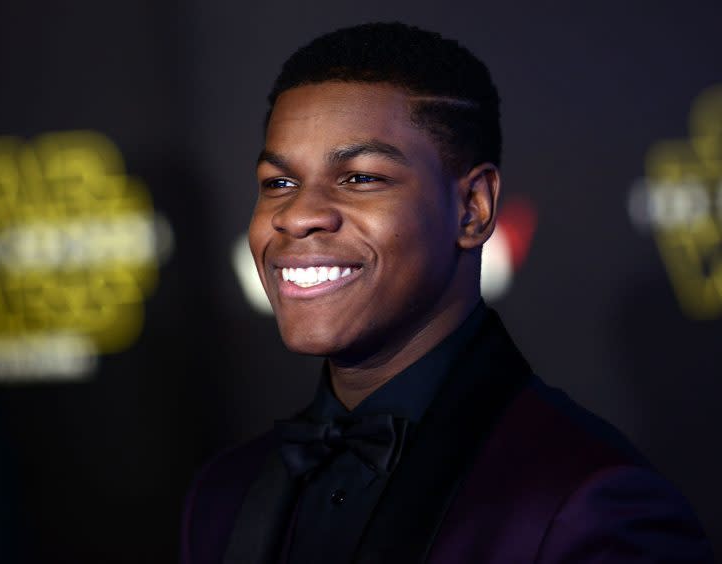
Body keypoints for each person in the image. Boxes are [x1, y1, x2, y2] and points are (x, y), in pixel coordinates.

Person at [180, 22, 714, 564]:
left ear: (473, 208)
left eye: (360, 178)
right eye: (279, 184)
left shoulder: (586, 503)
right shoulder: (224, 492)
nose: (297, 216)